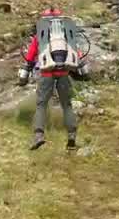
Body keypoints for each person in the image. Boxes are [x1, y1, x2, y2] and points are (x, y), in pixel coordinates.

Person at [19, 8, 83, 151]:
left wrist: (23, 77)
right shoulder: (67, 35)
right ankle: (72, 136)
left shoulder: (40, 37)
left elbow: (29, 58)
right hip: (64, 73)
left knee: (41, 104)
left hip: (46, 73)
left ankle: (39, 136)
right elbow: (78, 56)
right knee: (67, 105)